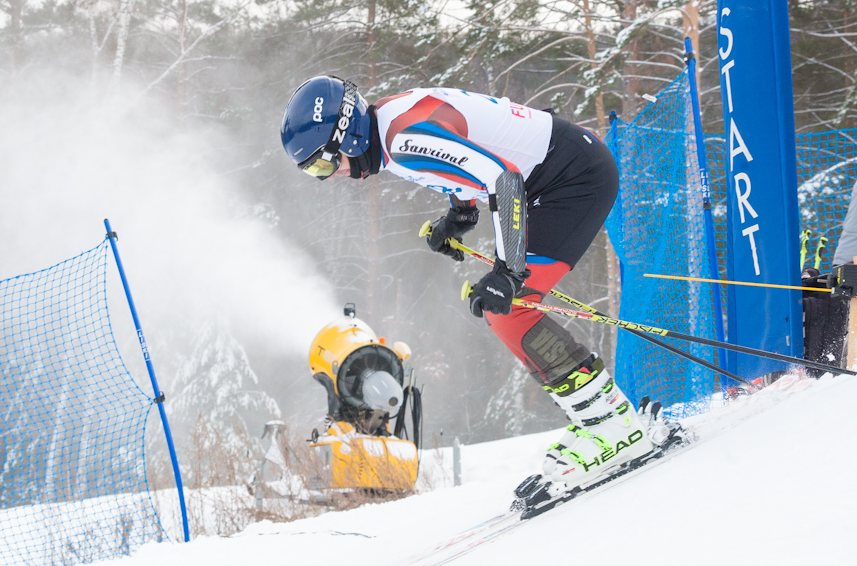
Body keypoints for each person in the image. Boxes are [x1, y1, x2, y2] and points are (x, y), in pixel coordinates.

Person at [280, 75, 670, 501]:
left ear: (348, 136)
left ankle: (611, 424)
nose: (330, 176)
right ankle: (601, 417)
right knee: (508, 311)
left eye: (323, 165)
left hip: (573, 179)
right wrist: (460, 215)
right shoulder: (390, 124)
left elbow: (503, 177)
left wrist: (509, 271)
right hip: (560, 170)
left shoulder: (403, 139)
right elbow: (464, 158)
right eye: (314, 172)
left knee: (510, 309)